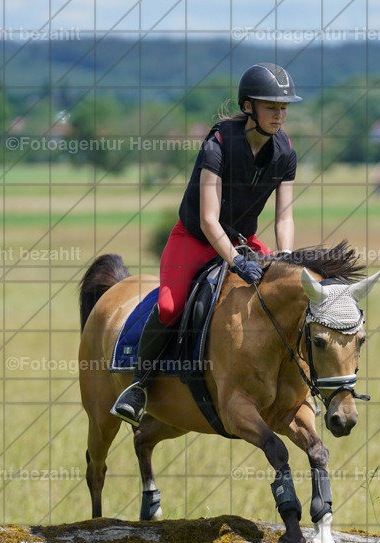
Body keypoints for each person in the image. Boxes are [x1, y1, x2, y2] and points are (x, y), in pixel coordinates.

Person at [111, 62, 302, 426]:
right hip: (195, 240)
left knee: (286, 296)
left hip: (246, 242)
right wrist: (233, 260)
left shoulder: (285, 152)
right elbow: (208, 219)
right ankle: (138, 384)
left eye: (284, 107)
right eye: (271, 106)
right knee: (170, 308)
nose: (279, 114)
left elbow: (284, 217)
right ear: (249, 107)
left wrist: (287, 258)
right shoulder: (218, 144)